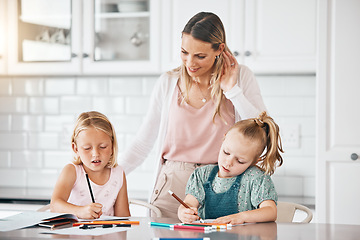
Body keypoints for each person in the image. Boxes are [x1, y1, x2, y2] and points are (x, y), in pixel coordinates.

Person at [119, 12, 267, 219]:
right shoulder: (168, 82)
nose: (190, 63)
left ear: (219, 49)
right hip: (172, 184)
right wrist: (110, 176)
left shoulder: (241, 77)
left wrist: (232, 90)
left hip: (221, 182)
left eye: (200, 56)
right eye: (184, 52)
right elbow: (144, 141)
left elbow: (262, 131)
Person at [178, 111, 283, 224]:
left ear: (254, 161)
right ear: (224, 140)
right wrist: (184, 212)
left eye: (240, 161)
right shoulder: (202, 174)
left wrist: (241, 217)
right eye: (226, 152)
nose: (228, 163)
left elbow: (270, 211)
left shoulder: (256, 178)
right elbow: (189, 203)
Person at [50, 111, 130, 219]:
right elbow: (55, 206)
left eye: (103, 147)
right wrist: (80, 211)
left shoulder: (118, 173)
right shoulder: (72, 171)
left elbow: (123, 218)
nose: (96, 154)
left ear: (112, 146)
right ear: (76, 148)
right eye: (87, 148)